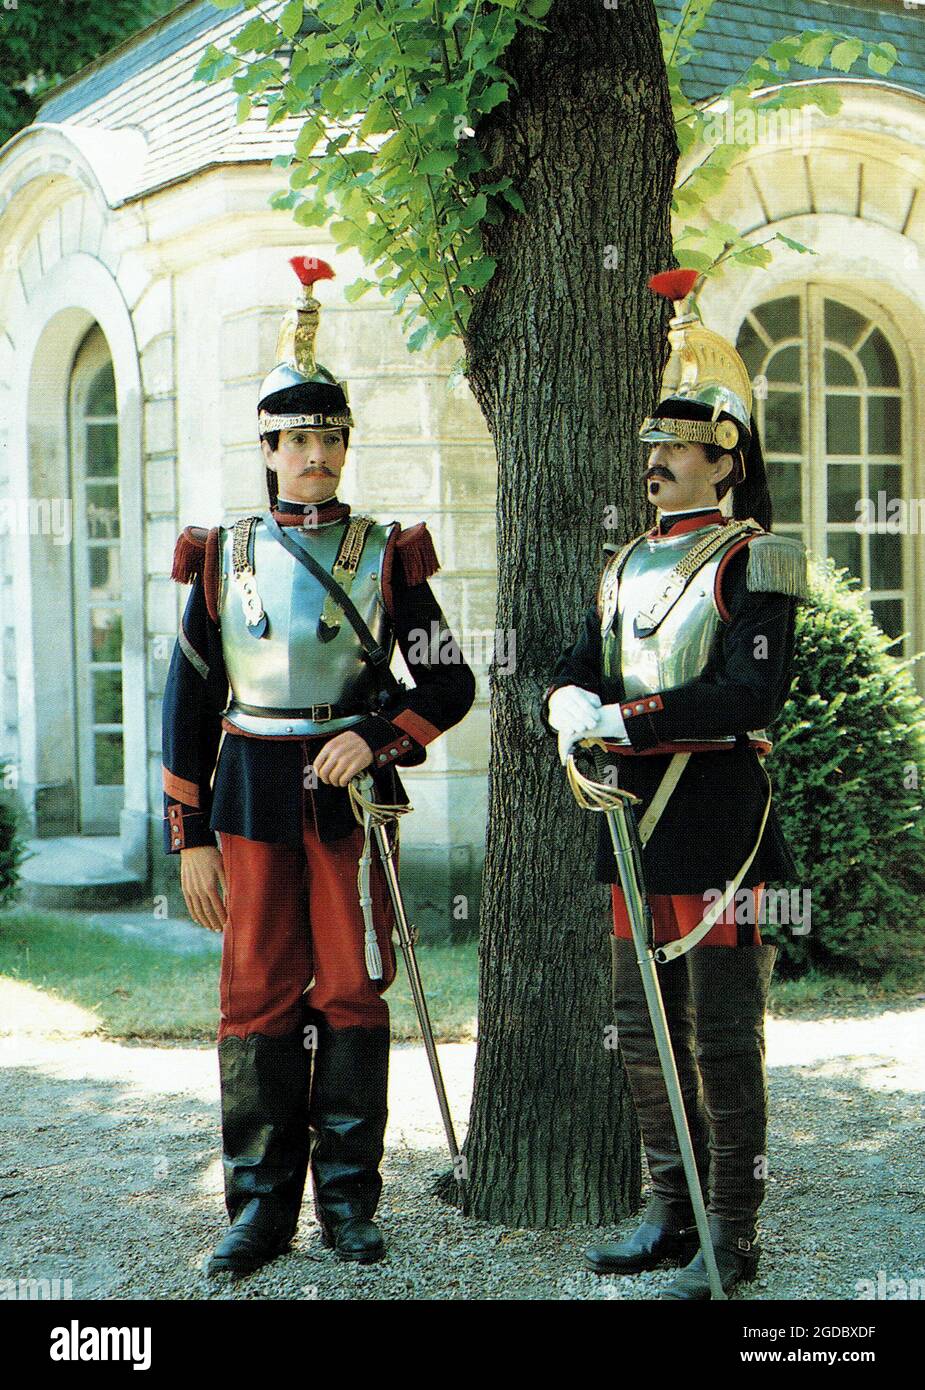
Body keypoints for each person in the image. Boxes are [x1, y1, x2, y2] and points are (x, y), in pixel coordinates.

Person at [162, 255, 475, 1276]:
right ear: (268, 447)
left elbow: (448, 683)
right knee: (254, 994)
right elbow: (189, 698)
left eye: (331, 438)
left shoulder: (389, 556)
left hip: (348, 800)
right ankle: (257, 1209)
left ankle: (346, 1203)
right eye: (298, 439)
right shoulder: (219, 554)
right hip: (247, 792)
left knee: (348, 993)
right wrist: (189, 833)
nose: (317, 455)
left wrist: (377, 737)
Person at [543, 269, 809, 1299]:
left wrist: (627, 720)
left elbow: (748, 694)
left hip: (717, 829)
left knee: (720, 1036)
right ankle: (670, 1206)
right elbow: (579, 659)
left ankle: (730, 1236)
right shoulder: (623, 567)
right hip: (631, 834)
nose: (653, 463)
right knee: (644, 1030)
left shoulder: (759, 559)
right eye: (650, 447)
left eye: (675, 448)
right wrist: (569, 700)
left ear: (723, 457)